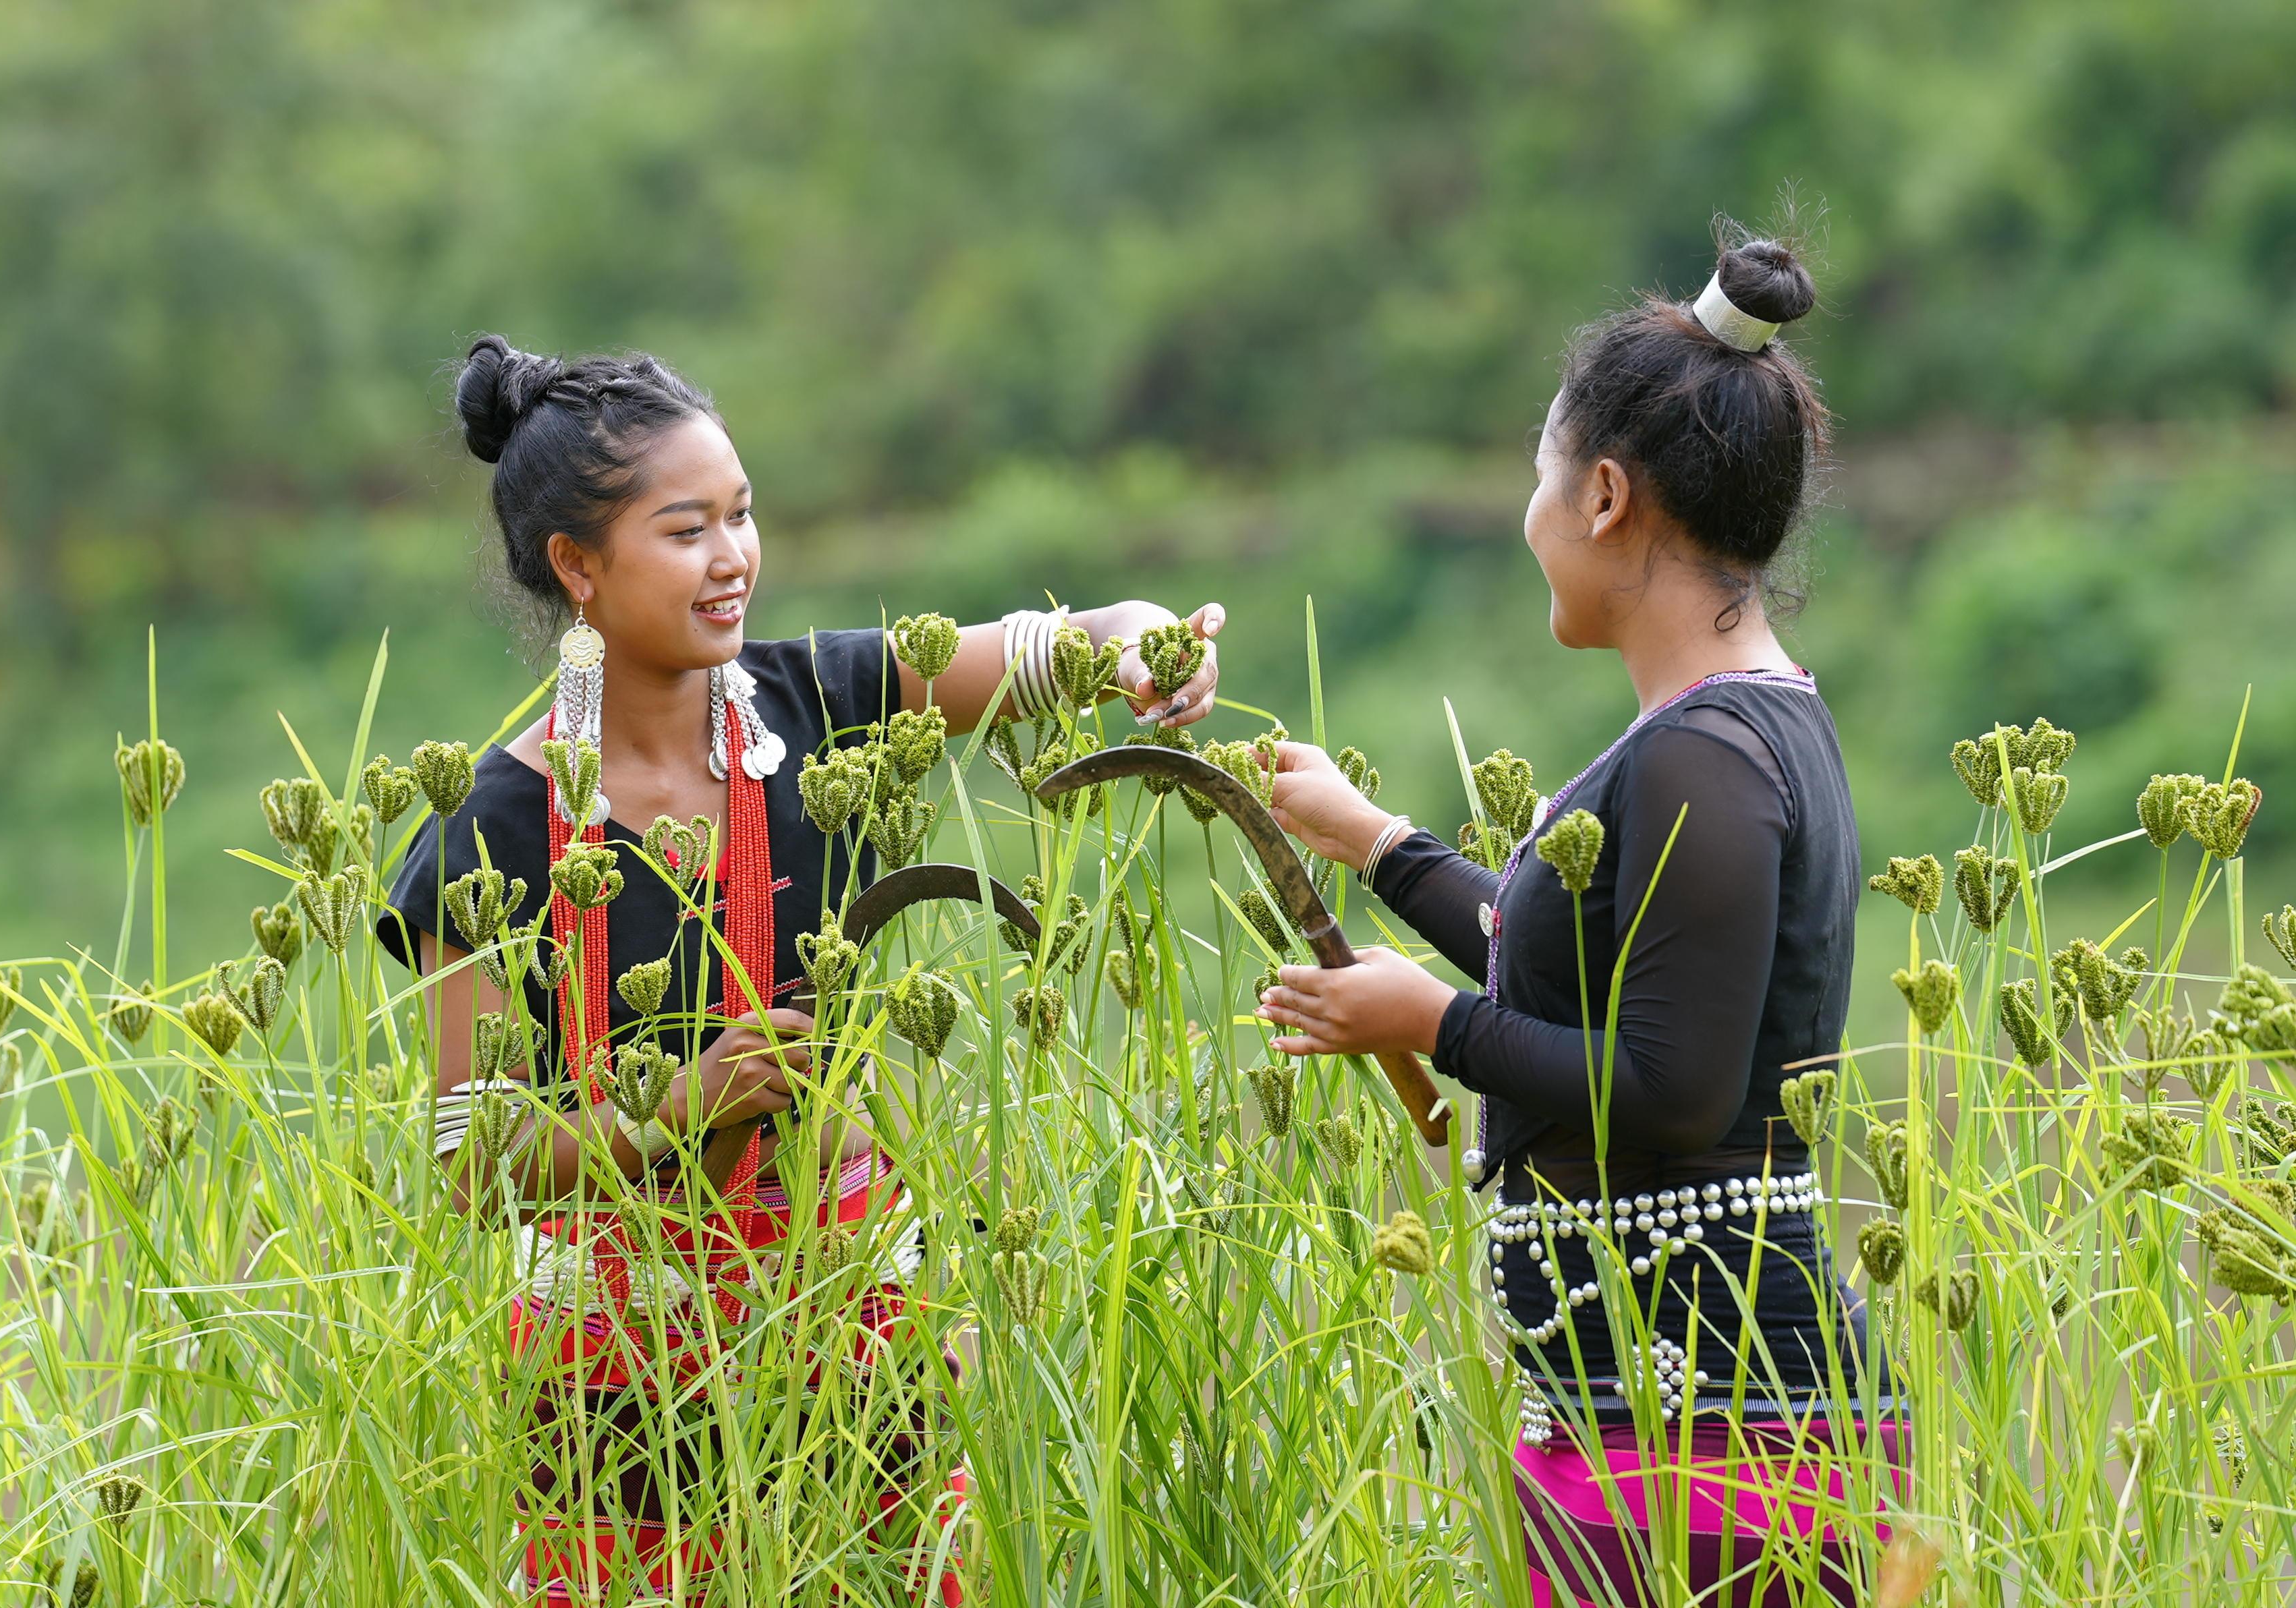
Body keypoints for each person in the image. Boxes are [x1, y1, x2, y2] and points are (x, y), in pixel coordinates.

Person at [373, 334, 1227, 1605]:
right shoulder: (486, 832)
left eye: (743, 516)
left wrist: (1145, 637)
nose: (733, 558)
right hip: (621, 1387)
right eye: (685, 531)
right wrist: (679, 1110)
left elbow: (1058, 648)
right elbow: (473, 1159)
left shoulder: (820, 705)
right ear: (577, 567)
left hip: (857, 1330)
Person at [1254, 230, 1900, 1607]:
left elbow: (1669, 1086)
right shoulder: (1741, 728)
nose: (1530, 517)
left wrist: (1426, 1022)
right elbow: (1592, 974)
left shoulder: (1698, 757)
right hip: (1664, 1422)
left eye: (1537, 482)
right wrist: (1375, 841)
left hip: (1714, 1448)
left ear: (1603, 495)